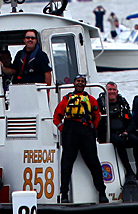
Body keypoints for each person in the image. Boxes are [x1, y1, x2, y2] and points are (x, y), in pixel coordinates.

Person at [53, 75, 108, 204]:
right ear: (74, 83)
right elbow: (56, 117)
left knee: (94, 162)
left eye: (82, 81)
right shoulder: (66, 100)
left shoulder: (91, 99)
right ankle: (64, 194)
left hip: (86, 132)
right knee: (66, 163)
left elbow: (97, 116)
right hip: (70, 132)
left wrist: (91, 129)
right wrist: (63, 129)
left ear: (85, 84)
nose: (80, 83)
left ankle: (102, 192)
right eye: (78, 81)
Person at [97, 81, 138, 179]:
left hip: (123, 131)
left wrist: (127, 132)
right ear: (105, 91)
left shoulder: (122, 103)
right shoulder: (100, 103)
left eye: (114, 90)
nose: (112, 92)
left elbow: (131, 120)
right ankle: (129, 171)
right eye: (109, 89)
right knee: (119, 141)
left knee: (136, 140)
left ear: (117, 92)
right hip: (108, 133)